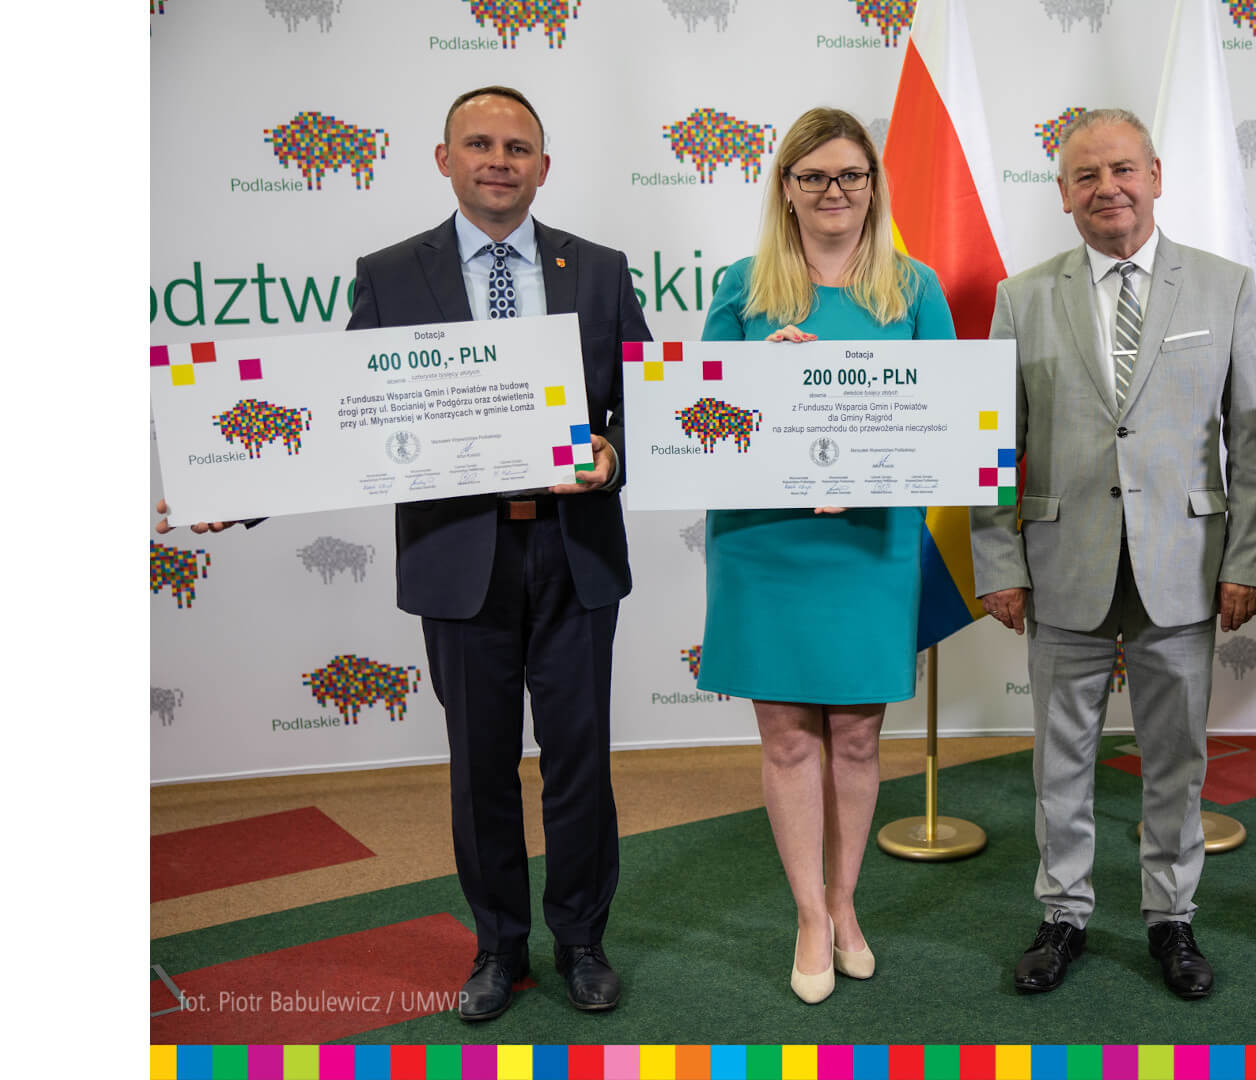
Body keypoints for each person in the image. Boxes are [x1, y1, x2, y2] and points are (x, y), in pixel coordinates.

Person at [160, 85, 649, 1022]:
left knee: (581, 764)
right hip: (458, 558)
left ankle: (582, 941)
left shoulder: (596, 268)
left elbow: (644, 399)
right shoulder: (388, 275)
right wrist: (238, 489)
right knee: (479, 768)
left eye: (517, 148)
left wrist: (614, 454)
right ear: (444, 159)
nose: (498, 161)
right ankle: (498, 947)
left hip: (574, 553)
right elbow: (341, 417)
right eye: (480, 144)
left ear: (544, 167)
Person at [970, 109, 1256, 1000]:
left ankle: (1171, 918)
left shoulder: (1224, 287)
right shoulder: (1023, 297)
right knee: (1059, 759)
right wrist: (998, 562)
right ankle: (1063, 915)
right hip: (1061, 563)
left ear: (1156, 176)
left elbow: (1255, 439)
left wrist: (1248, 560)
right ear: (1063, 194)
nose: (1107, 188)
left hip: (1185, 564)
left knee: (1176, 759)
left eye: (1122, 170)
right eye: (1086, 175)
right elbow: (992, 445)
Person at [697, 107, 955, 1005]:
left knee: (855, 733)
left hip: (869, 538)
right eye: (813, 176)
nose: (833, 191)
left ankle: (846, 905)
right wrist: (757, 379)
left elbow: (947, 426)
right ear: (787, 188)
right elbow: (703, 422)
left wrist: (875, 473)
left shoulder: (914, 289)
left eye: (850, 174)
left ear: (874, 185)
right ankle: (809, 913)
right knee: (785, 735)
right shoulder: (741, 287)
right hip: (765, 539)